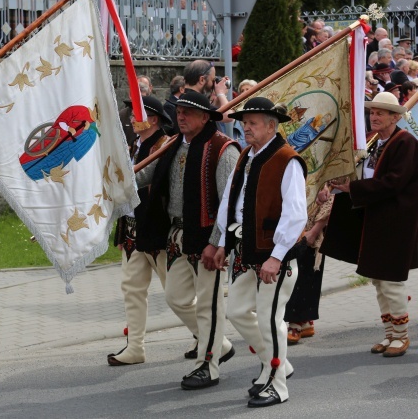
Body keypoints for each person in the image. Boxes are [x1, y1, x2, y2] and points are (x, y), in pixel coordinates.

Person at [136, 90, 239, 390]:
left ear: (205, 117)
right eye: (179, 111)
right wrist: (115, 179)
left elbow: (229, 202)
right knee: (176, 298)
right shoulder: (171, 146)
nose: (180, 116)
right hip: (177, 235)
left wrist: (217, 243)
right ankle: (220, 344)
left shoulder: (223, 150)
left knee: (208, 305)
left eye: (188, 112)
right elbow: (146, 176)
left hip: (208, 238)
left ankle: (208, 365)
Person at [214, 97, 307, 408]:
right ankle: (276, 363)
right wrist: (222, 244)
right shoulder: (245, 156)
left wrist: (277, 256)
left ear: (272, 126)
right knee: (237, 311)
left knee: (270, 320)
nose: (246, 126)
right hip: (245, 250)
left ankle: (278, 384)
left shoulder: (287, 159)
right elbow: (230, 201)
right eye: (244, 121)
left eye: (253, 122)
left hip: (273, 256)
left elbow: (296, 215)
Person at [320, 92, 418, 358]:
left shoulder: (405, 143)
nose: (374, 117)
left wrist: (352, 187)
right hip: (375, 220)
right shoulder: (376, 143)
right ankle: (389, 334)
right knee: (377, 279)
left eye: (380, 113)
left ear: (395, 117)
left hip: (395, 223)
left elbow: (393, 183)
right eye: (372, 112)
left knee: (391, 280)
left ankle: (401, 335)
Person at [108, 96, 178, 366]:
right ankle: (135, 346)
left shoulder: (164, 145)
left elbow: (142, 183)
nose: (131, 118)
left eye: (139, 113)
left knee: (176, 293)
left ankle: (209, 339)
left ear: (154, 119)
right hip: (132, 228)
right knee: (132, 288)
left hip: (156, 229)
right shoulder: (133, 145)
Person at [285, 193, 334, 344]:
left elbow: (329, 199)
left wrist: (314, 231)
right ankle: (305, 321)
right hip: (293, 227)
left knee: (304, 275)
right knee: (298, 274)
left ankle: (295, 324)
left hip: (312, 228)